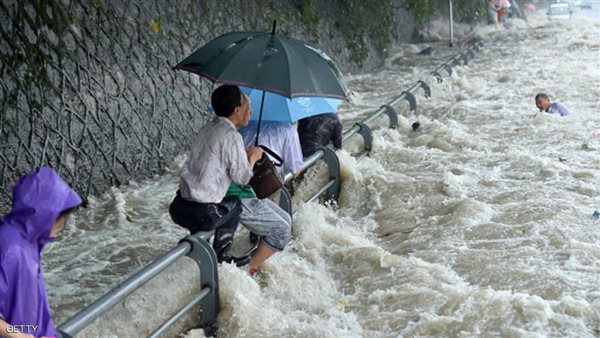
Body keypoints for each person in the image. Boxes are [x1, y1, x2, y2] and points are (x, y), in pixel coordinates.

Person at [169, 84, 263, 266]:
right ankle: (221, 257)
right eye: (247, 107)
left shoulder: (207, 128)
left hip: (179, 206)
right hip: (203, 213)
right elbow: (242, 179)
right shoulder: (232, 136)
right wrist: (252, 157)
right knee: (235, 204)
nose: (250, 111)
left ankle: (198, 258)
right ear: (237, 110)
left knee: (210, 219)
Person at [0, 167, 82, 338]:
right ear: (47, 215)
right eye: (62, 217)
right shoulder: (9, 249)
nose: (64, 224)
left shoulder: (29, 241)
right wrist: (19, 336)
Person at [239, 121, 304, 176]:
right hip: (268, 180)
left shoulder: (246, 123)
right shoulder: (289, 130)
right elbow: (295, 171)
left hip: (241, 173)